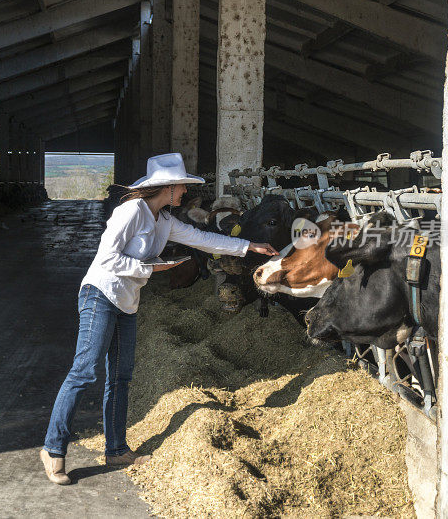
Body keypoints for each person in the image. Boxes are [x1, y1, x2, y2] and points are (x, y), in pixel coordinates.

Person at [40, 153, 278, 485]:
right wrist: (153, 268)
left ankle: (116, 449)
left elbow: (203, 239)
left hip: (128, 301)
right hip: (100, 293)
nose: (185, 192)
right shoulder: (131, 212)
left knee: (121, 378)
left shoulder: (163, 220)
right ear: (167, 186)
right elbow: (107, 259)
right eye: (182, 185)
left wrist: (248, 246)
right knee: (85, 369)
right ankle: (53, 450)